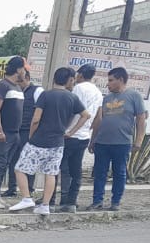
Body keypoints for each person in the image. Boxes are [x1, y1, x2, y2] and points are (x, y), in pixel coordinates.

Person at [9, 66, 91, 216]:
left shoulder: (46, 95)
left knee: (19, 168)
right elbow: (86, 115)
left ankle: (27, 198)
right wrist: (71, 132)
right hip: (58, 142)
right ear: (69, 80)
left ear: (54, 79)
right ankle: (45, 205)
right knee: (51, 173)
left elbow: (36, 119)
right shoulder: (72, 97)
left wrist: (31, 136)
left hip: (39, 140)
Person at [85, 67, 147, 213]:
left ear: (121, 80)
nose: (108, 84)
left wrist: (138, 141)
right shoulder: (106, 99)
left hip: (122, 142)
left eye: (111, 80)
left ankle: (115, 201)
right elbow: (98, 120)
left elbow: (141, 119)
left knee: (119, 173)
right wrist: (93, 140)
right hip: (102, 143)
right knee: (100, 173)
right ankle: (97, 201)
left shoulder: (134, 96)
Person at [56, 63, 103, 212]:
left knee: (63, 168)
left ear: (80, 75)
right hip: (84, 136)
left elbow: (71, 110)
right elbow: (99, 117)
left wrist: (66, 128)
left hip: (70, 134)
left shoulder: (78, 88)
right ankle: (72, 201)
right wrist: (91, 133)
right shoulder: (98, 92)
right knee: (76, 170)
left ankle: (63, 199)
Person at [0, 56, 27, 209]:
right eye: (23, 68)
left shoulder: (17, 87)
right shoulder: (2, 86)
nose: (24, 72)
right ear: (18, 69)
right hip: (3, 133)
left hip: (15, 133)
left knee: (6, 164)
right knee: (0, 163)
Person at [7, 69, 42, 198]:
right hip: (15, 130)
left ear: (27, 78)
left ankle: (29, 189)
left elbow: (41, 111)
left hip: (29, 132)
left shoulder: (37, 91)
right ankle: (12, 188)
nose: (19, 83)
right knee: (12, 160)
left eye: (21, 80)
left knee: (30, 161)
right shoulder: (14, 90)